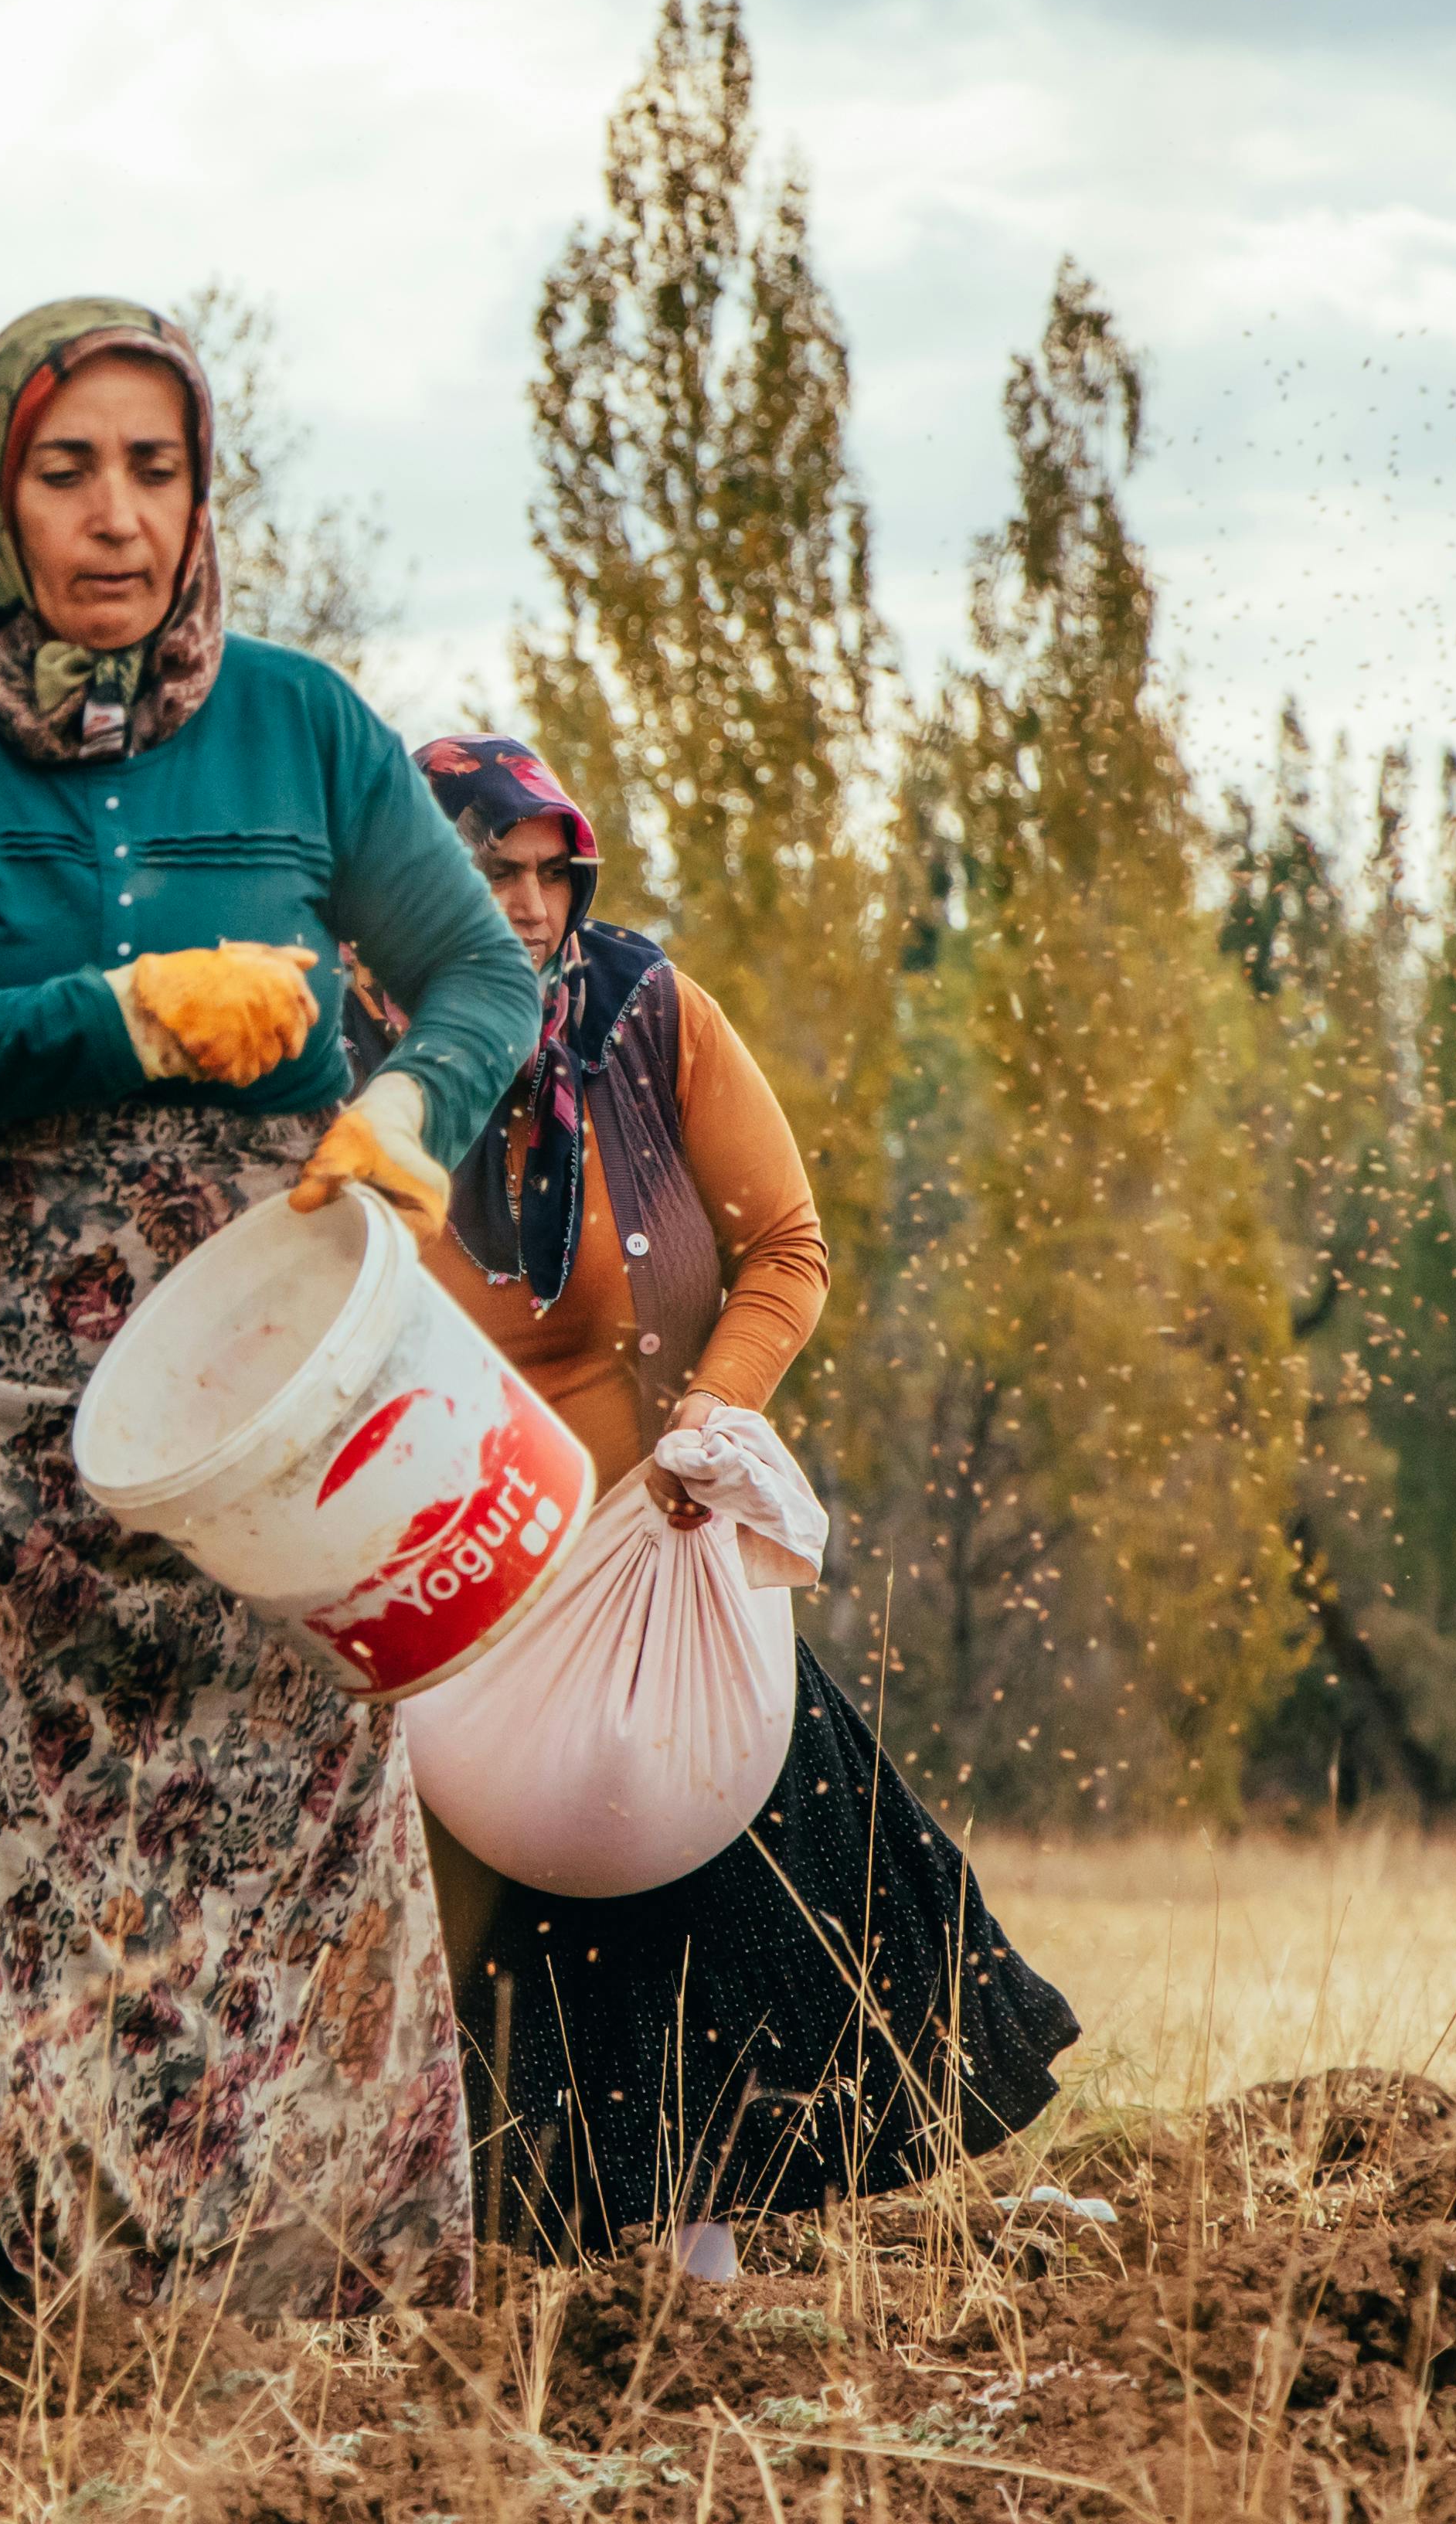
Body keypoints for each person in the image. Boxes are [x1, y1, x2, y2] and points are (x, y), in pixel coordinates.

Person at [0, 298, 543, 2379]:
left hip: (235, 1394)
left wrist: (400, 1113)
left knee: (268, 1840)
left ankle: (286, 2307)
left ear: (205, 495)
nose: (114, 515)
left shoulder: (304, 729)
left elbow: (478, 980)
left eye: (154, 469)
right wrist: (108, 1020)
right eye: (66, 468)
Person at [362, 735, 1078, 2271]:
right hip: (474, 1580)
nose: (536, 903)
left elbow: (789, 1245)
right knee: (509, 1953)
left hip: (661, 1546)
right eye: (495, 874)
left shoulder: (646, 1020)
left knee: (725, 1882)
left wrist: (716, 1408)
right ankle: (487, 2287)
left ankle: (708, 2271)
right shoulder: (357, 1084)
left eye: (555, 869)